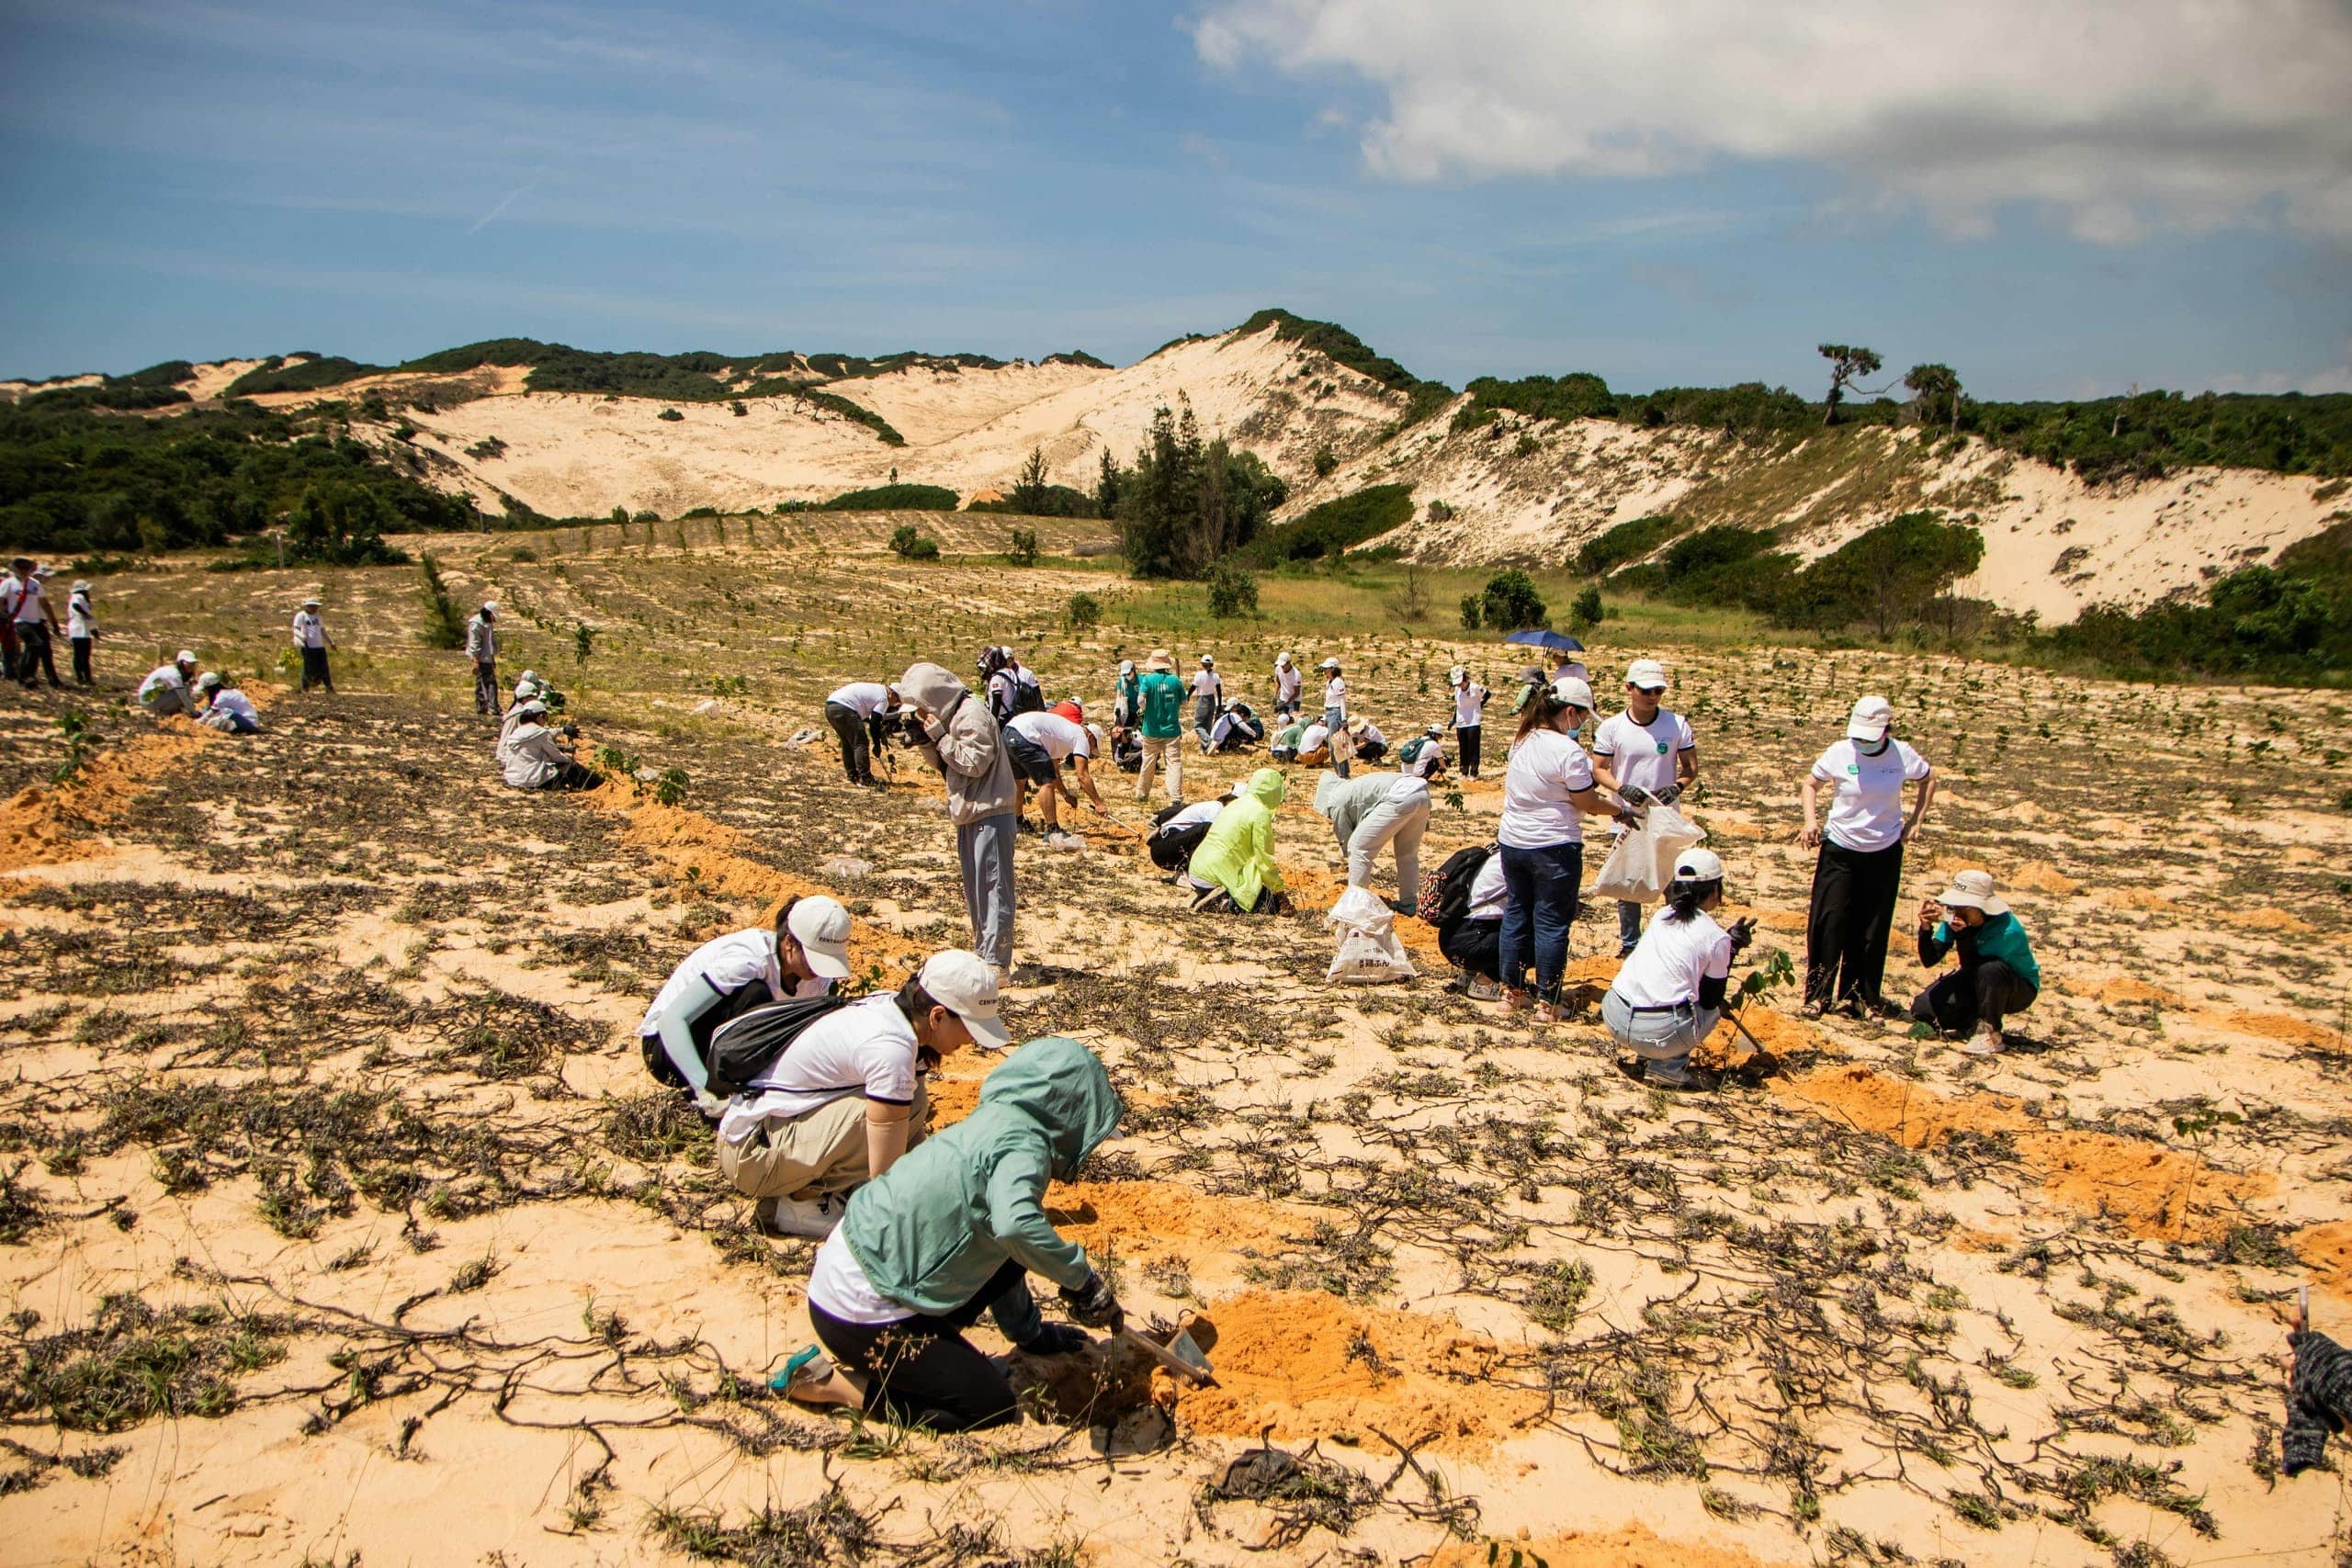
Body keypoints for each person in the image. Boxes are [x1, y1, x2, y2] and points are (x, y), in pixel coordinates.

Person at [776, 1036, 1125, 1431]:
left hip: (856, 1264)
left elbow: (1007, 1246)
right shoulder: (1026, 1149)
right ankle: (829, 1384)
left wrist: (1030, 1333)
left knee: (1014, 1247)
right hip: (857, 1308)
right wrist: (1082, 1282)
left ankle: (965, 1350)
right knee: (989, 1405)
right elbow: (1015, 1226)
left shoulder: (999, 1119)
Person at [721, 950, 1009, 1237]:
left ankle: (836, 1187)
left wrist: (935, 1183)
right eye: (971, 1028)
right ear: (937, 1016)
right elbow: (885, 1169)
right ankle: (799, 1206)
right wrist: (902, 1219)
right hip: (752, 1155)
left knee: (911, 1102)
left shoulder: (896, 1011)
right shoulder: (891, 1048)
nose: (972, 1040)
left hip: (772, 1131)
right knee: (880, 1115)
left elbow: (911, 1135)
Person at [639, 896, 853, 1103]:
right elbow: (671, 1021)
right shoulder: (748, 959)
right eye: (813, 959)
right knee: (755, 995)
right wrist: (704, 1089)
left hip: (728, 1045)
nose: (818, 970)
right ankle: (720, 1086)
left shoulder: (816, 980)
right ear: (789, 943)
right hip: (666, 1048)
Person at [1799, 695, 1936, 1019]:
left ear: (1887, 729)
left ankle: (1860, 996)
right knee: (1830, 921)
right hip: (1841, 848)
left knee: (1872, 927)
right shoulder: (1839, 751)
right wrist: (1810, 820)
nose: (1862, 741)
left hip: (1884, 849)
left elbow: (1929, 779)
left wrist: (1917, 821)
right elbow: (1811, 783)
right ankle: (1818, 995)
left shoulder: (1902, 755)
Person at [1498, 676, 1619, 1021]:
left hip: (1513, 842)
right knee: (1552, 922)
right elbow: (1587, 802)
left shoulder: (1521, 740)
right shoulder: (1569, 752)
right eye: (1580, 717)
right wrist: (1620, 810)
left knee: (1517, 913)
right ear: (1568, 712)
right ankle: (1548, 1002)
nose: (1580, 724)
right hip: (1554, 847)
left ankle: (1512, 993)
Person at [900, 661, 1019, 980]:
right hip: (972, 813)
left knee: (994, 889)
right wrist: (927, 742)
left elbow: (974, 762)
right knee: (976, 890)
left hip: (991, 813)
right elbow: (947, 767)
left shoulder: (972, 715)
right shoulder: (953, 716)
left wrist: (939, 736)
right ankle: (984, 953)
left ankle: (996, 961)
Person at [1602, 849, 1754, 1089]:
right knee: (1711, 1009)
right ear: (1716, 890)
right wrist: (1731, 948)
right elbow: (1711, 998)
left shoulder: (1662, 916)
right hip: (1656, 1032)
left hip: (1615, 1017)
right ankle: (1667, 1068)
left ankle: (1648, 1054)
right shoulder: (1717, 938)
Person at [1591, 658, 1701, 958]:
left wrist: (1676, 787)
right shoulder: (1612, 728)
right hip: (1627, 817)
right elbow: (1598, 768)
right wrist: (1620, 788)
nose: (1653, 696)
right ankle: (1630, 945)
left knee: (1672, 879)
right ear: (1629, 688)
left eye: (1658, 691)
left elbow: (1691, 768)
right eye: (1646, 690)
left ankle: (1676, 940)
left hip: (1665, 818)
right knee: (1629, 883)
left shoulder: (1677, 724)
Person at [1912, 870, 2040, 1055]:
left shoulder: (2007, 930)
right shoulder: (1955, 919)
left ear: (1978, 907)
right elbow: (1930, 959)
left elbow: (1975, 967)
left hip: (2015, 988)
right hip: (1977, 980)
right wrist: (1925, 929)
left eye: (1961, 906)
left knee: (1991, 969)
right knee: (1923, 1009)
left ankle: (1990, 1032)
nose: (1955, 910)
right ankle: (1970, 1022)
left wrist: (1963, 935)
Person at [1314, 769, 1430, 909]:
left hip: (1399, 797)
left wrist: (1349, 858)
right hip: (1421, 792)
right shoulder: (1351, 787)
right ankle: (1409, 902)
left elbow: (1346, 838)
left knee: (1358, 848)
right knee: (1407, 854)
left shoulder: (1334, 801)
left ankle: (1355, 908)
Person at [1187, 768, 1289, 914]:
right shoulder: (1260, 812)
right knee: (1269, 904)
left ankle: (1204, 894)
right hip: (1215, 874)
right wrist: (1279, 891)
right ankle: (1224, 902)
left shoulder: (1236, 803)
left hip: (1196, 870)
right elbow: (1264, 859)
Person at [1005, 708, 1108, 849]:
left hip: (1009, 732)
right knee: (1046, 784)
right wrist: (1099, 803)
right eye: (1092, 748)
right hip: (1026, 736)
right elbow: (1082, 776)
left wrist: (1065, 795)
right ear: (1091, 738)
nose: (1089, 752)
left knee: (1020, 781)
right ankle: (1052, 829)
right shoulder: (1081, 737)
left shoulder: (1062, 735)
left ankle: (1017, 821)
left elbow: (1054, 772)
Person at [1434, 845, 1507, 998]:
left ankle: (1467, 975)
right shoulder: (1516, 863)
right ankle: (1486, 982)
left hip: (1449, 938)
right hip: (1473, 947)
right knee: (1541, 931)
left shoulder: (1490, 854)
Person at [498, 699, 597, 790]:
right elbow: (557, 757)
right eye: (546, 717)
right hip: (532, 780)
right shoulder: (540, 733)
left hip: (513, 779)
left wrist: (563, 730)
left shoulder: (518, 732)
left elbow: (542, 735)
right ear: (540, 716)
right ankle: (597, 785)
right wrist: (569, 761)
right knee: (571, 768)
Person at [1133, 650, 1186, 806]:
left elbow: (1140, 700)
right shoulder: (1175, 680)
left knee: (1148, 760)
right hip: (1172, 729)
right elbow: (1184, 702)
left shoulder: (1148, 680)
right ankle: (1176, 795)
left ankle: (1142, 793)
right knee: (1174, 762)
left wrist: (1144, 709)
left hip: (1151, 729)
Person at [825, 681, 899, 788]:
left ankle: (853, 775)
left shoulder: (877, 690)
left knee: (847, 742)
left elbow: (869, 718)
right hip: (845, 707)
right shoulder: (884, 699)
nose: (896, 703)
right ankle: (866, 778)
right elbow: (874, 723)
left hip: (830, 707)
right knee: (861, 742)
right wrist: (877, 744)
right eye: (897, 700)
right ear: (892, 694)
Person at [1146, 787, 1231, 873]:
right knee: (1209, 828)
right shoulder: (1216, 808)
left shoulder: (1213, 807)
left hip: (1169, 849)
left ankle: (1188, 871)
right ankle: (1187, 873)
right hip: (1163, 848)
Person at [10, 557, 61, 689]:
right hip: (20, 621)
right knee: (34, 645)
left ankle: (52, 679)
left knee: (45, 651)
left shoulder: (35, 585)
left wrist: (54, 623)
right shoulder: (9, 584)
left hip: (38, 621)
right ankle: (25, 675)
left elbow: (45, 604)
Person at [1450, 666, 1489, 779]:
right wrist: (1454, 719)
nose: (1459, 685)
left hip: (1473, 722)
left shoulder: (1475, 687)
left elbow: (1487, 694)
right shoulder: (1457, 690)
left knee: (1473, 748)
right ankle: (1464, 771)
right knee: (1463, 748)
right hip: (1461, 722)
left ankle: (1474, 772)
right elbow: (1458, 706)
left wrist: (1480, 705)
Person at [291, 597, 336, 693]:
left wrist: (331, 642)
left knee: (324, 667)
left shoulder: (318, 617)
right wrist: (302, 636)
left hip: (319, 646)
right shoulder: (301, 616)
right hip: (307, 646)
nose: (314, 608)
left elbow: (322, 631)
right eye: (311, 606)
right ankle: (304, 687)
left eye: (315, 606)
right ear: (307, 606)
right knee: (307, 666)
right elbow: (295, 629)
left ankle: (329, 687)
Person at [1318, 658, 1354, 778]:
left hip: (1336, 713)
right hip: (1330, 713)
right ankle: (1340, 772)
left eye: (1326, 669)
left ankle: (1342, 774)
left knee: (1337, 745)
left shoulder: (1338, 682)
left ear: (1333, 669)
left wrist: (1344, 720)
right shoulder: (1329, 683)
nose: (1324, 671)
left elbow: (1342, 702)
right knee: (1333, 746)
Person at [138, 650, 200, 717]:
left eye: (193, 663)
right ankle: (165, 713)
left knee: (185, 687)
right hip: (147, 699)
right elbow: (184, 698)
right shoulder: (174, 675)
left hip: (152, 695)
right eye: (187, 662)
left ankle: (170, 710)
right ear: (181, 662)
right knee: (180, 694)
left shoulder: (174, 671)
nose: (191, 665)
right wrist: (195, 713)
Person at [195, 672, 261, 733]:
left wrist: (196, 723)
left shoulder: (222, 697)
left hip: (248, 724)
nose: (204, 692)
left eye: (204, 689)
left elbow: (210, 713)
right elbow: (208, 708)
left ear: (210, 688)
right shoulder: (228, 692)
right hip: (251, 722)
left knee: (212, 722)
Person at [467, 602, 501, 716]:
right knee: (488, 684)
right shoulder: (476, 624)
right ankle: (490, 708)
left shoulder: (487, 623)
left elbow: (489, 643)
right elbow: (474, 644)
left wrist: (492, 659)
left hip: (487, 658)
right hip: (480, 659)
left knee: (485, 683)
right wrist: (476, 662)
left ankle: (484, 708)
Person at [65, 581, 97, 686]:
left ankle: (82, 677)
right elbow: (76, 606)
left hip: (79, 630)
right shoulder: (79, 596)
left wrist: (93, 629)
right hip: (80, 630)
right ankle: (84, 677)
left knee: (79, 655)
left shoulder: (77, 597)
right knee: (83, 655)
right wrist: (85, 614)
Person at [1191, 655, 1224, 752]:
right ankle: (1204, 748)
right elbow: (1219, 692)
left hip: (1202, 699)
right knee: (1208, 725)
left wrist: (1188, 696)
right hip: (1212, 700)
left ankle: (1209, 741)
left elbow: (1193, 686)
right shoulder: (1216, 675)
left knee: (1198, 725)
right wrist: (1220, 705)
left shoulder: (1199, 674)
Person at [1110, 660, 1141, 734]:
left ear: (1133, 670)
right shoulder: (1122, 681)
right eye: (1124, 674)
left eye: (1128, 673)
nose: (1127, 676)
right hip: (1128, 713)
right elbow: (1119, 696)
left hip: (1141, 712)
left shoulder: (1142, 680)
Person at [1272, 651, 1303, 719]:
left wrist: (1287, 702)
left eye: (1284, 665)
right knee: (1282, 718)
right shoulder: (1278, 669)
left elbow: (1297, 693)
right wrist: (1275, 695)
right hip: (1283, 697)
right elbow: (1278, 682)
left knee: (1293, 719)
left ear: (1289, 663)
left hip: (1294, 700)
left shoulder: (1296, 675)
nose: (1282, 667)